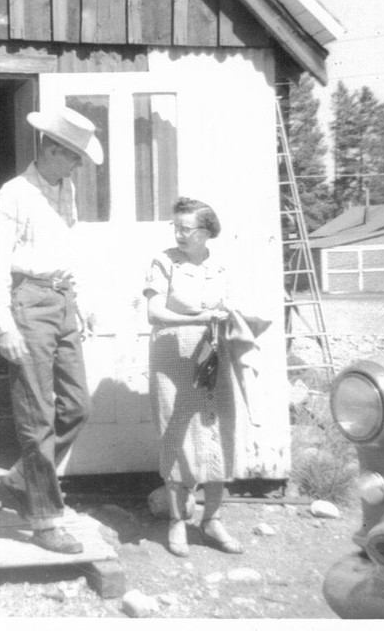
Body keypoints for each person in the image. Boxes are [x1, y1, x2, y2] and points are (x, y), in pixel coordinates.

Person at [0, 106, 102, 555]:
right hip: (28, 303)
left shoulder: (66, 189)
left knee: (77, 406)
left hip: (63, 300)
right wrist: (3, 322)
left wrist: (83, 303)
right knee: (37, 417)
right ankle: (45, 521)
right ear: (52, 149)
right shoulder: (14, 193)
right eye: (74, 157)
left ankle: (19, 482)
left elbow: (70, 249)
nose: (79, 166)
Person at [143, 197, 244, 558]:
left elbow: (232, 306)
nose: (180, 234)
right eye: (177, 227)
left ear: (206, 231)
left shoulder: (220, 264)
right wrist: (198, 319)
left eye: (187, 228)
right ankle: (176, 522)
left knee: (217, 430)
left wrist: (228, 317)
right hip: (171, 353)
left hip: (213, 351)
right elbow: (155, 312)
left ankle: (212, 519)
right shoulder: (164, 261)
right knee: (175, 431)